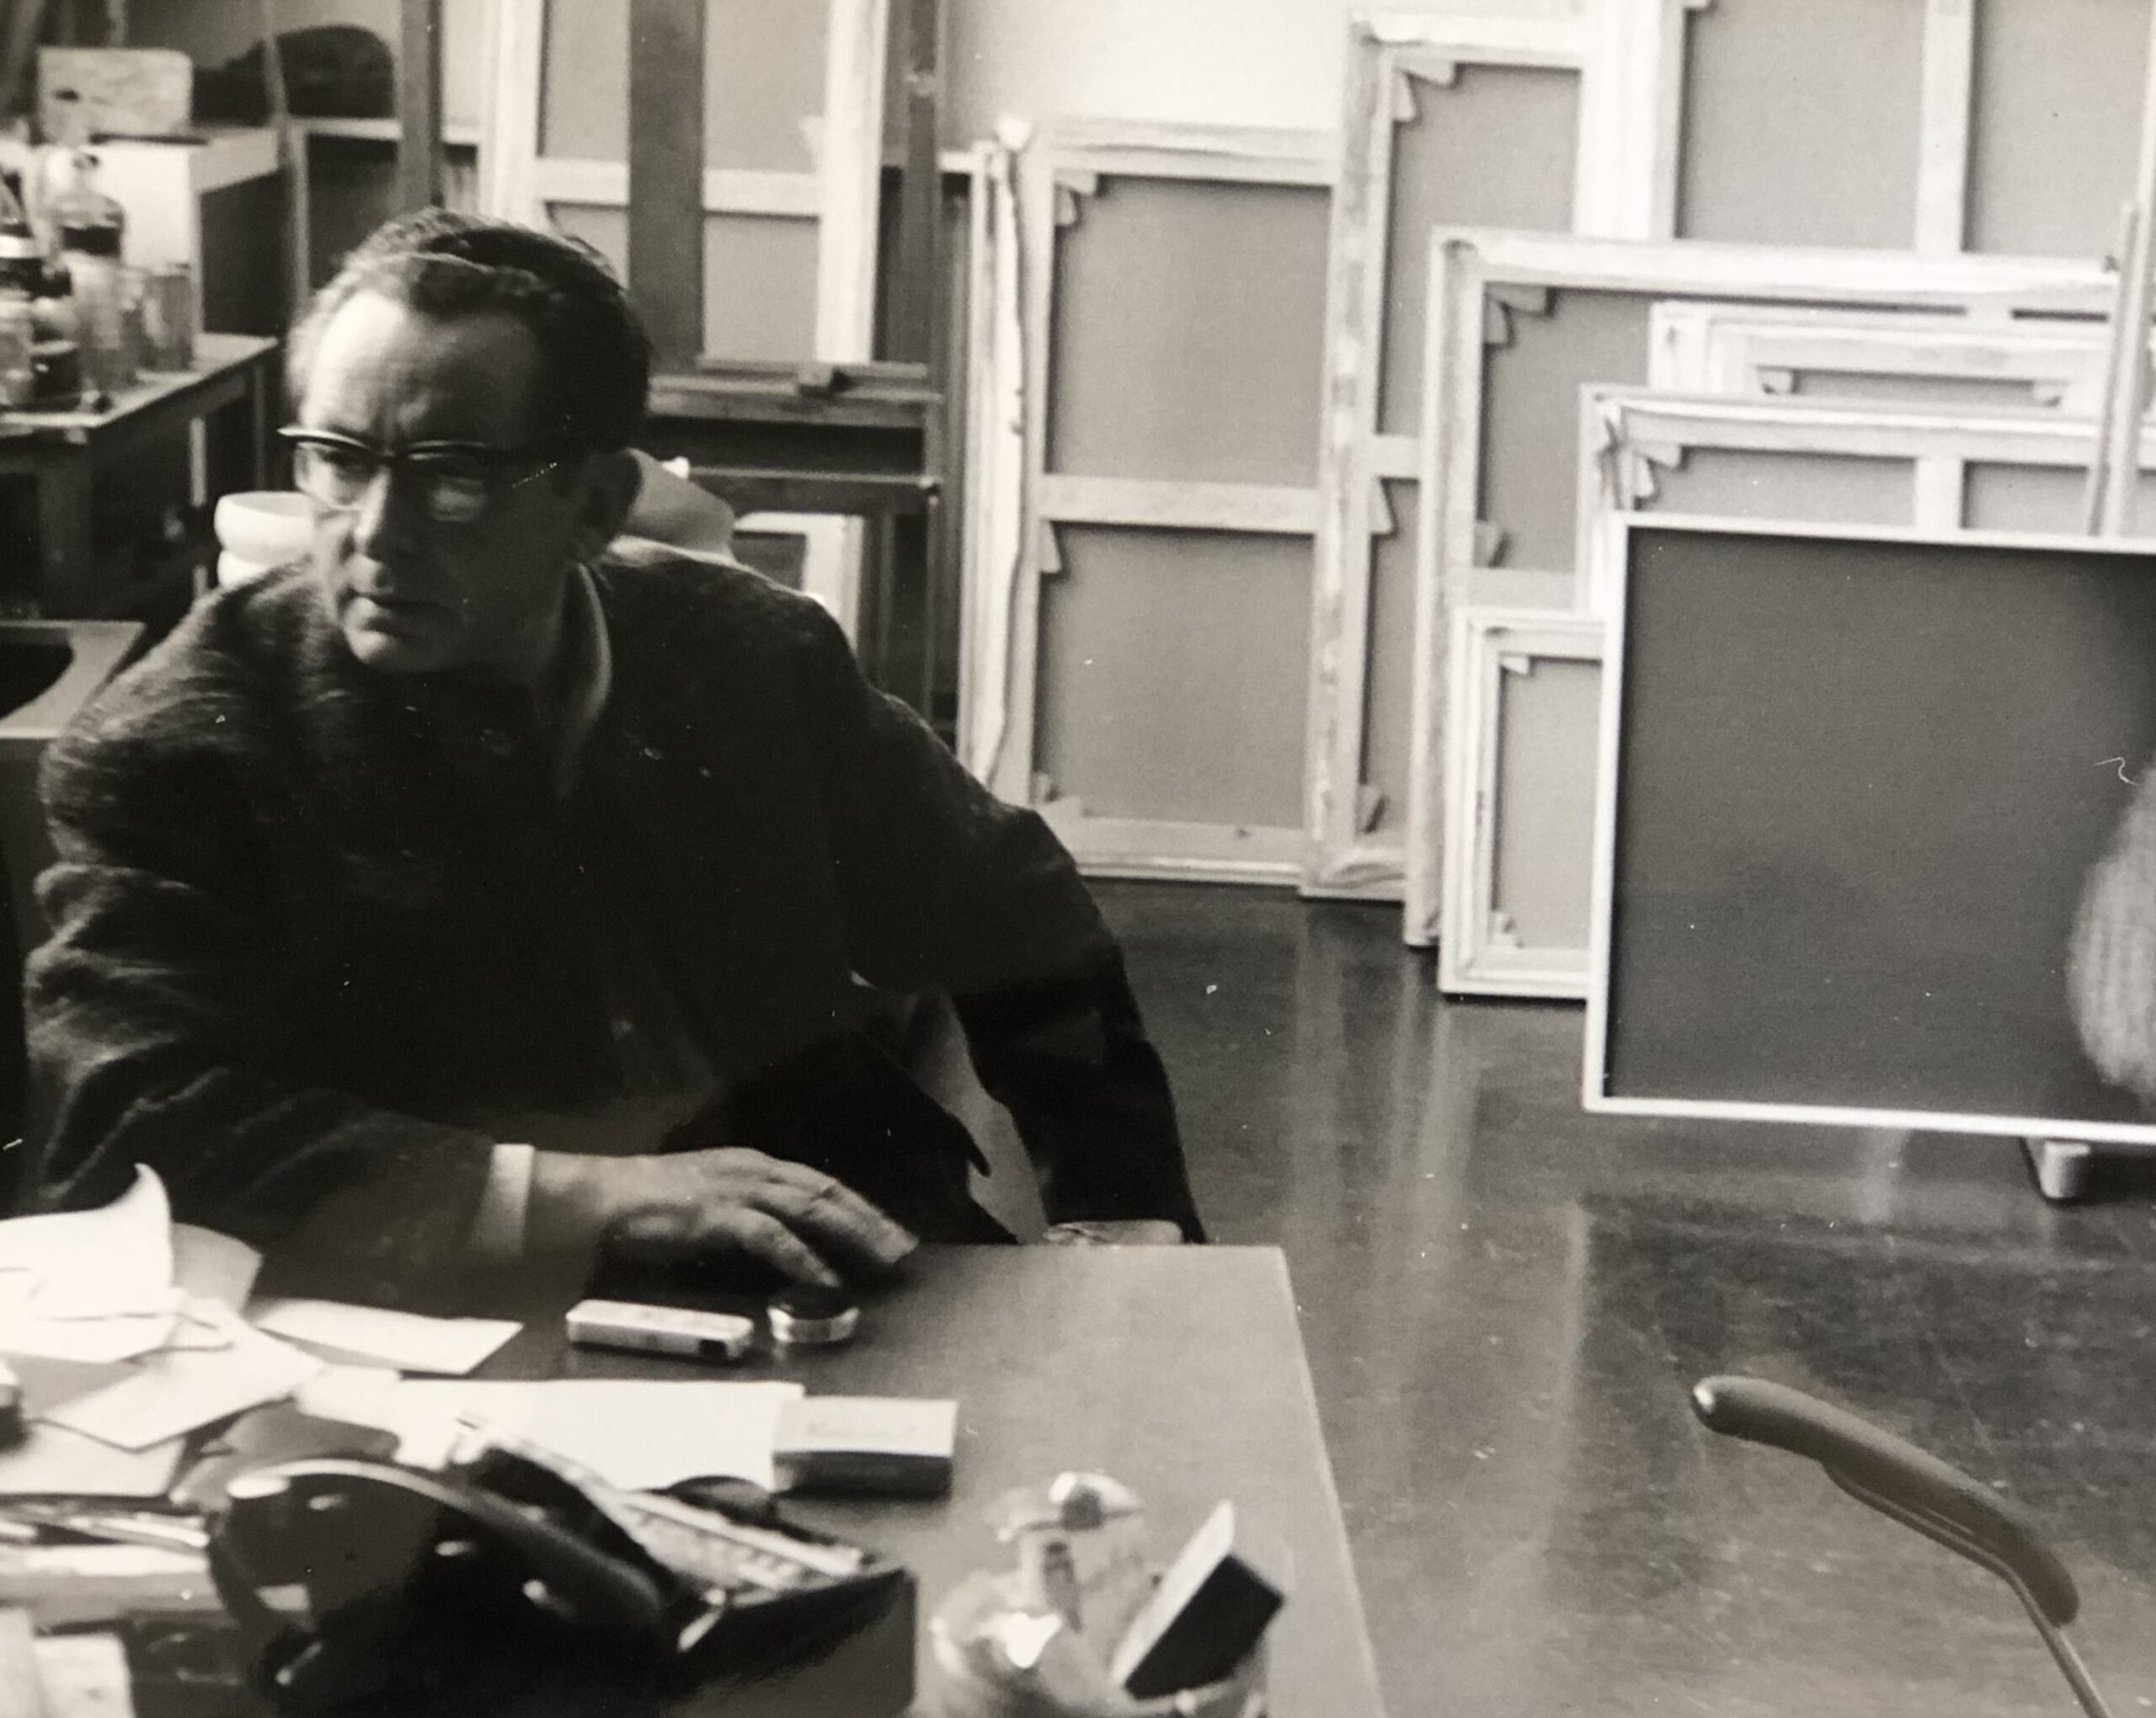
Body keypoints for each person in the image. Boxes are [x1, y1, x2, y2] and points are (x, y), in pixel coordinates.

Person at [24, 210, 1202, 1306]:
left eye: (452, 476)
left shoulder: (753, 657)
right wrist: (583, 1197)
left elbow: (1014, 915)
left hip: (831, 1252)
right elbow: (123, 1117)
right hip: (437, 1316)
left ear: (591, 506)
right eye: (341, 457)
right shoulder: (176, 744)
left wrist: (1122, 1210)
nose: (374, 533)